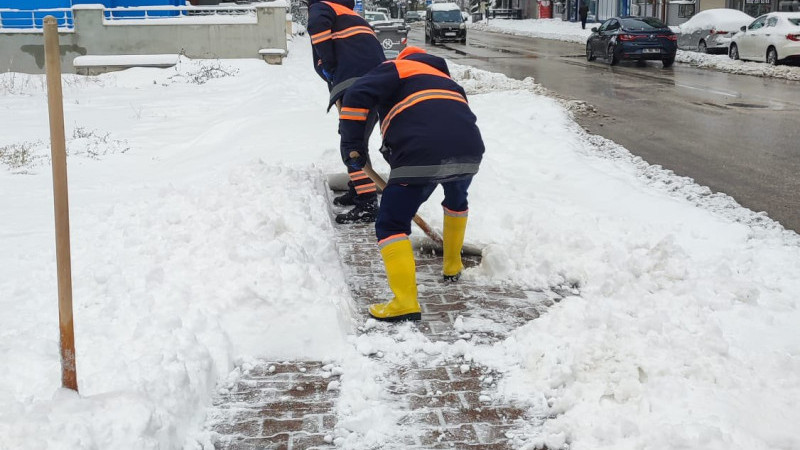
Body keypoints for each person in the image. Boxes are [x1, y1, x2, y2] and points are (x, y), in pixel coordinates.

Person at [338, 46, 485, 322]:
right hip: (469, 152)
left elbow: (357, 94)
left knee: (390, 223)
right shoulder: (447, 81)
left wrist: (352, 145)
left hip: (420, 152)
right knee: (456, 200)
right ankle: (453, 266)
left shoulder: (398, 67)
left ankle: (405, 302)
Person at [307, 0, 386, 224]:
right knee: (357, 139)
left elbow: (317, 27)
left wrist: (329, 64)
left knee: (352, 146)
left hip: (355, 86)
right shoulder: (350, 14)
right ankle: (359, 188)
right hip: (375, 83)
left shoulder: (322, 7)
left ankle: (367, 203)